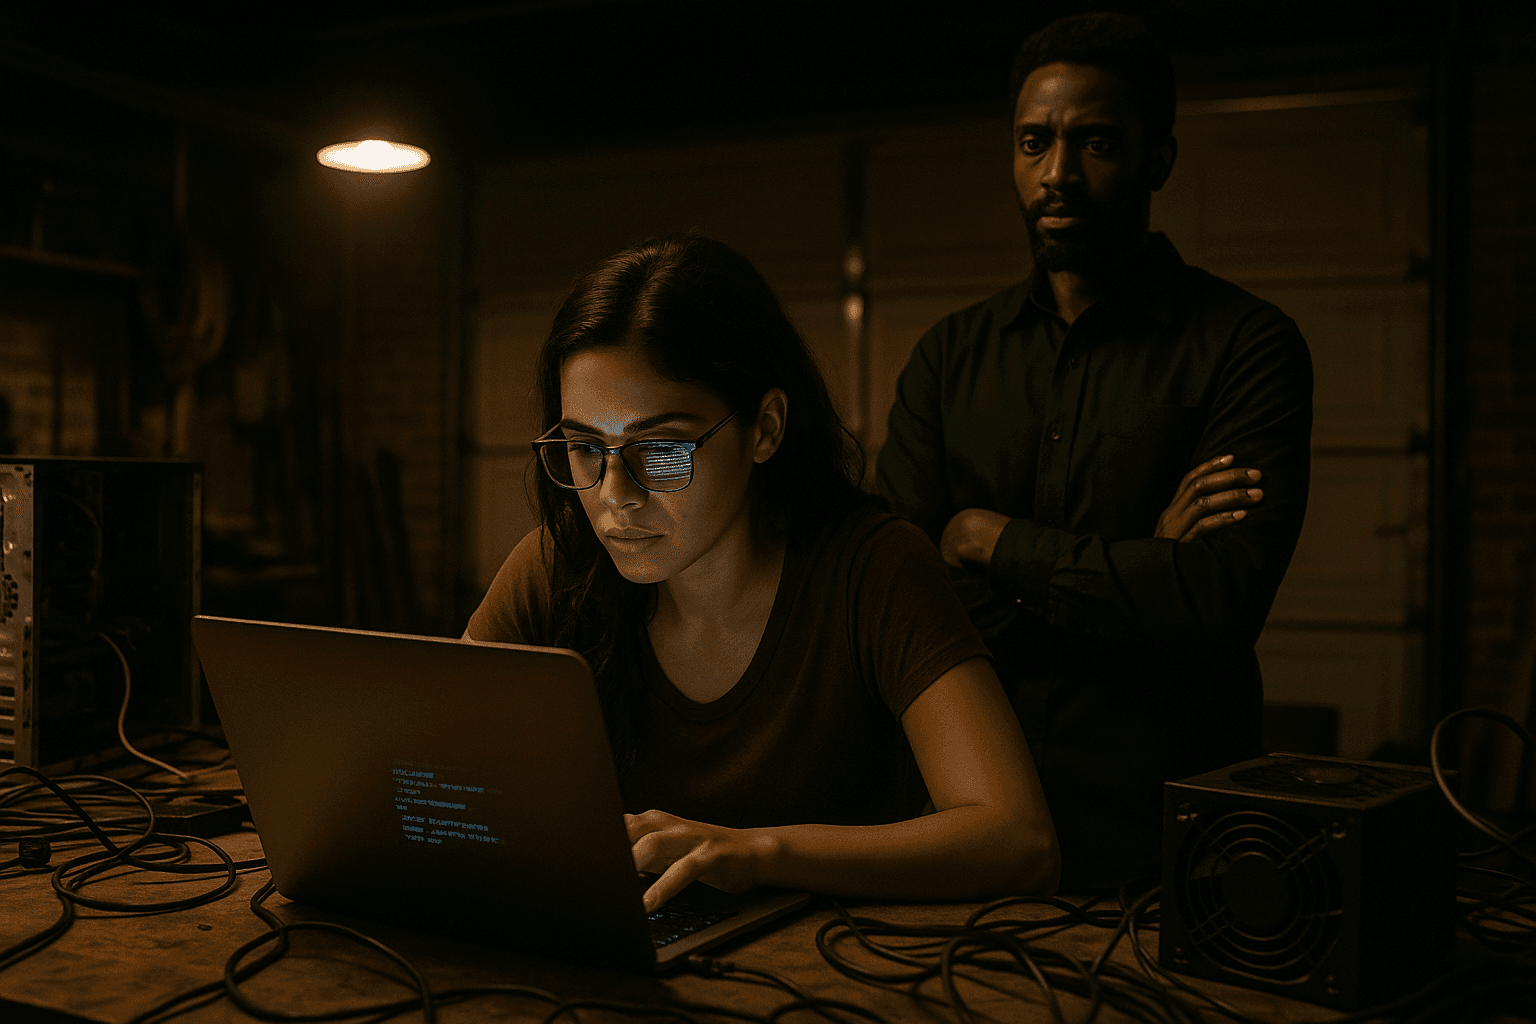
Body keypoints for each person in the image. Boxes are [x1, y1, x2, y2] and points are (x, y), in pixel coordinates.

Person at [466, 234, 1059, 911]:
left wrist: (759, 854)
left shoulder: (871, 570)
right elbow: (428, 782)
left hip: (829, 959)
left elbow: (1020, 840)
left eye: (661, 449)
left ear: (766, 428)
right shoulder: (557, 570)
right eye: (584, 447)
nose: (614, 496)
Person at [876, 13, 1313, 889]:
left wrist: (991, 542)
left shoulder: (1248, 345)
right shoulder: (949, 357)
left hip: (1168, 850)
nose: (1057, 174)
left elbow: (1216, 602)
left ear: (1159, 159)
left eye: (1097, 143)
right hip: (963, 833)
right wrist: (1141, 564)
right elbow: (895, 603)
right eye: (1033, 142)